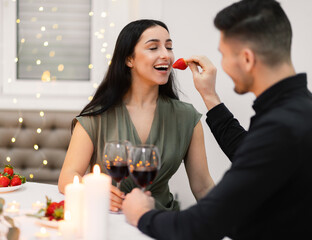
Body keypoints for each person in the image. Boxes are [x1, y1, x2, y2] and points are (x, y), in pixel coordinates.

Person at [122, 0, 312, 239]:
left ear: (247, 59)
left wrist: (141, 214)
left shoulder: (280, 127)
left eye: (223, 55)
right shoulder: (299, 108)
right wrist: (209, 96)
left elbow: (200, 225)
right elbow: (249, 150)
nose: (221, 65)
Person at [58, 19, 215, 212]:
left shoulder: (186, 117)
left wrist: (233, 226)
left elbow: (203, 186)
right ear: (129, 59)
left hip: (163, 224)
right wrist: (92, 191)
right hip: (108, 221)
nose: (166, 55)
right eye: (153, 48)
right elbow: (67, 177)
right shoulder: (96, 117)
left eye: (169, 47)